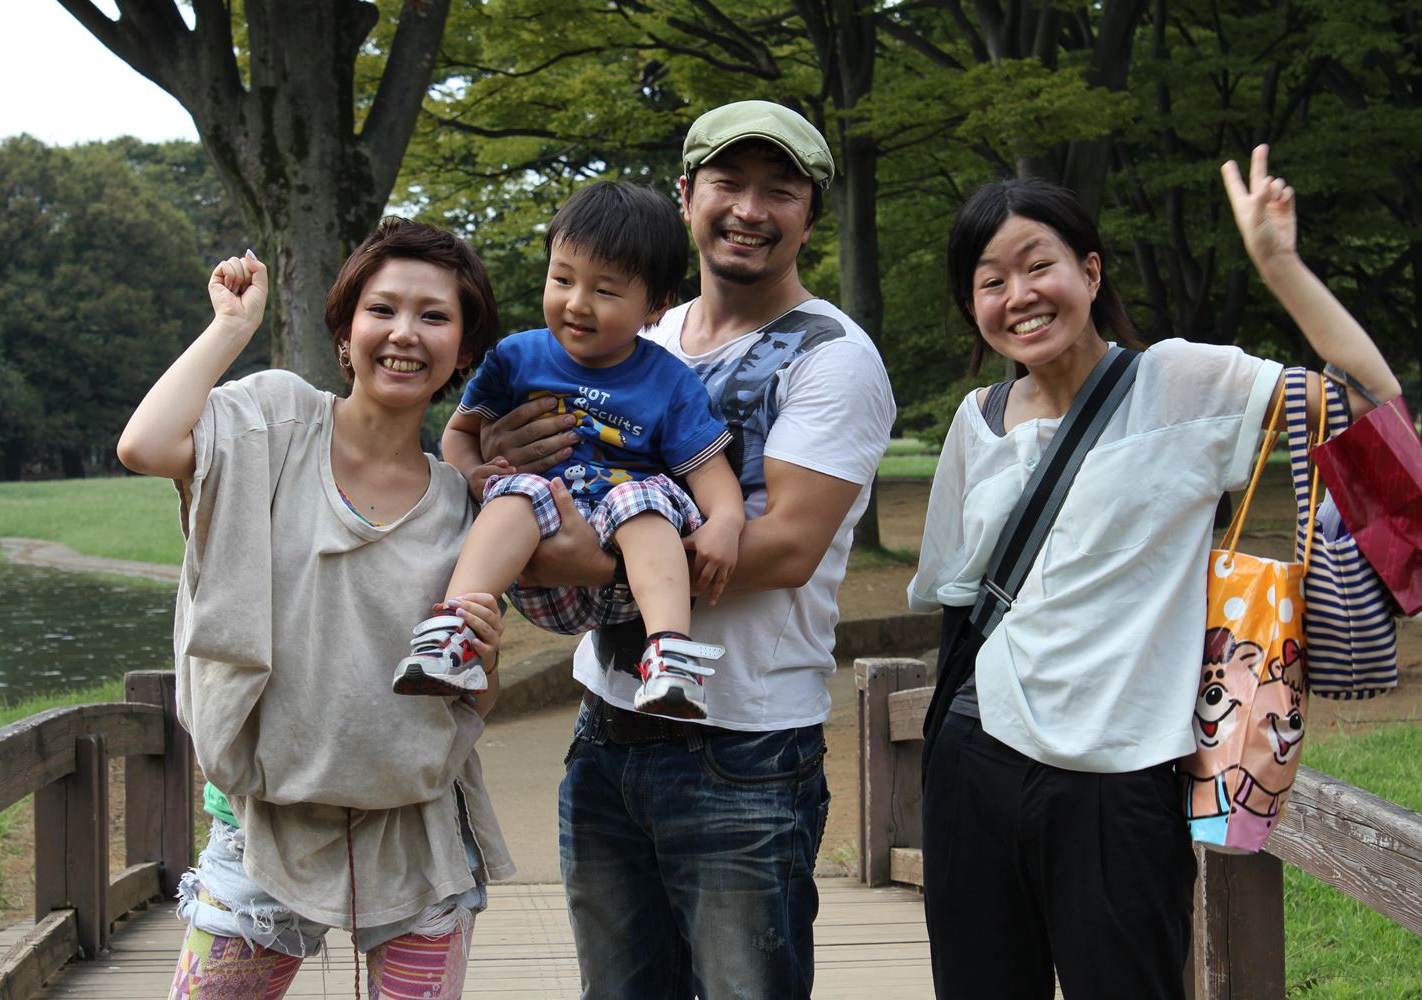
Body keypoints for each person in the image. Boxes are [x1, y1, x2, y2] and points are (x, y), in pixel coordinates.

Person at [908, 146, 1401, 999]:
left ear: (1090, 271)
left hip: (1118, 784)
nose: (1019, 294)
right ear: (973, 306)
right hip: (972, 764)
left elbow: (1371, 401)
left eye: (1038, 265)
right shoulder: (975, 420)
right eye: (991, 280)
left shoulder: (1181, 381)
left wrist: (1279, 265)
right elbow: (954, 599)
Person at [482, 100, 896, 998]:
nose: (749, 208)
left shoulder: (832, 357)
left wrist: (590, 560)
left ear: (810, 217)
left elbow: (787, 547)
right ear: (686, 196)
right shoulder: (639, 330)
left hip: (742, 745)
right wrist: (507, 455)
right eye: (727, 182)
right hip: (607, 723)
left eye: (779, 191)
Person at [116, 220, 516, 1000]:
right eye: (382, 309)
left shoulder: (464, 507)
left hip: (417, 837)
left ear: (465, 350)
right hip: (262, 829)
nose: (405, 333)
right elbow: (146, 445)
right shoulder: (276, 422)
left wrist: (487, 657)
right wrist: (232, 328)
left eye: (434, 316)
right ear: (344, 332)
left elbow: (472, 704)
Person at [392, 181, 744, 720]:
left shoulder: (670, 383)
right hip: (535, 565)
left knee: (642, 499)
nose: (577, 303)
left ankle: (669, 655)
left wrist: (726, 523)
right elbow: (460, 433)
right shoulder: (516, 358)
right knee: (518, 491)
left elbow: (712, 477)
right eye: (562, 279)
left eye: (605, 290)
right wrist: (473, 472)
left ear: (655, 305)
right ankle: (456, 633)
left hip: (626, 577)